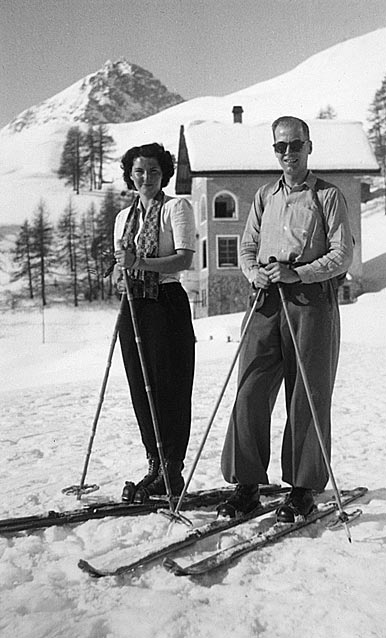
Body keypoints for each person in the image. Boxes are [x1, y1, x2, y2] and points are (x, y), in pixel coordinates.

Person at [218, 116, 354, 522]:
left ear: (309, 146)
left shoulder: (327, 196)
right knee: (250, 387)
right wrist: (252, 271)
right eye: (281, 147)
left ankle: (302, 487)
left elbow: (342, 254)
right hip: (265, 300)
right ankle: (247, 483)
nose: (289, 153)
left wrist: (300, 273)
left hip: (309, 301)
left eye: (296, 145)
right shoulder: (264, 196)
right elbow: (246, 246)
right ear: (274, 151)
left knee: (307, 394)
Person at [113, 143, 196, 503]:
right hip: (134, 304)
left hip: (166, 302)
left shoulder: (176, 208)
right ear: (130, 174)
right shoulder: (123, 216)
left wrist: (139, 264)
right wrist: (121, 271)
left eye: (154, 171)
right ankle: (155, 464)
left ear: (164, 175)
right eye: (139, 171)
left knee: (169, 386)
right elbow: (123, 261)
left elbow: (183, 260)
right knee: (140, 385)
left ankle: (171, 468)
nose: (146, 178)